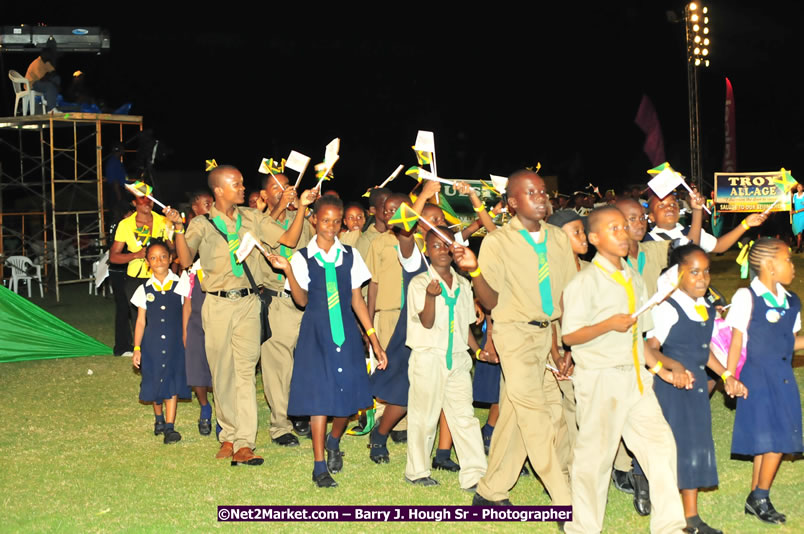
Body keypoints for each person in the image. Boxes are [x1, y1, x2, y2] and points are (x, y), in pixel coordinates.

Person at [171, 165, 316, 466]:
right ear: (218, 190)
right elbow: (185, 260)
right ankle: (228, 434)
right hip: (218, 304)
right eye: (235, 184)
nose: (241, 187)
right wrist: (177, 229)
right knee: (222, 372)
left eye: (240, 182)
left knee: (246, 372)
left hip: (249, 303)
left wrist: (301, 207)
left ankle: (244, 442)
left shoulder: (252, 218)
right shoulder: (202, 224)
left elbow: (288, 240)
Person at [561, 206, 690, 534]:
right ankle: (583, 527)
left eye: (625, 227)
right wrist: (607, 325)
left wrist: (659, 369)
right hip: (601, 379)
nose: (623, 233)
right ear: (594, 238)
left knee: (661, 446)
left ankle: (670, 526)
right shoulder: (584, 282)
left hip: (636, 379)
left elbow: (642, 339)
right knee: (596, 459)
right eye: (613, 228)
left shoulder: (633, 277)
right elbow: (570, 335)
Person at [452, 169, 575, 507]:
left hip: (550, 336)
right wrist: (475, 271)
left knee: (521, 413)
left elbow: (567, 295)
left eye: (543, 192)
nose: (541, 198)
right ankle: (565, 502)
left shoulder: (559, 238)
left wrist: (565, 345)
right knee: (536, 417)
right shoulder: (498, 241)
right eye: (531, 192)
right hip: (515, 336)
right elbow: (490, 302)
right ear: (512, 202)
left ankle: (490, 490)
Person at [264, 196, 388, 488]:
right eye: (325, 220)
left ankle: (334, 442)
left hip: (345, 332)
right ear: (314, 220)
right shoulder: (301, 258)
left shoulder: (350, 255)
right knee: (319, 400)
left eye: (336, 220)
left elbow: (357, 300)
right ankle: (319, 465)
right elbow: (301, 300)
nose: (330, 226)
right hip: (316, 335)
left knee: (348, 401)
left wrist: (374, 339)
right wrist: (289, 272)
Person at [647, 244, 748, 534]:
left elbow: (704, 353)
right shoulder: (667, 308)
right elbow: (650, 348)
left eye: (706, 271)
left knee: (694, 448)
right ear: (677, 275)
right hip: (671, 391)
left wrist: (727, 375)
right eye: (693, 272)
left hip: (696, 391)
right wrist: (670, 370)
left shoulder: (703, 306)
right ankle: (658, 503)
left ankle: (691, 518)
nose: (702, 278)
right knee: (670, 450)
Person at [725, 238, 804, 525]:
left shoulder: (792, 301)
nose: (792, 266)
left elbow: (790, 341)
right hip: (756, 376)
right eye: (788, 260)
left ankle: (755, 496)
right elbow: (736, 341)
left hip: (782, 377)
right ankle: (760, 496)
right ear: (770, 266)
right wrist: (730, 375)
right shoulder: (747, 297)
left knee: (769, 438)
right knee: (776, 439)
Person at [403, 227, 488, 489]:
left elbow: (464, 327)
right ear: (427, 251)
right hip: (429, 356)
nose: (442, 250)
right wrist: (430, 296)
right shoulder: (419, 283)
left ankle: (475, 473)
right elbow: (426, 323)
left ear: (453, 250)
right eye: (435, 246)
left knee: (465, 415)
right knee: (424, 416)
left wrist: (476, 351)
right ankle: (417, 471)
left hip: (458, 358)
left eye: (446, 245)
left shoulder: (463, 284)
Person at [257, 172, 315, 446]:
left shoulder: (299, 217)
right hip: (278, 300)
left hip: (304, 299)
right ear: (264, 196)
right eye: (276, 187)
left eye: (287, 184)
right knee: (278, 366)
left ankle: (300, 414)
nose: (284, 190)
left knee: (303, 363)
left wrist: (305, 211)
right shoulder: (260, 221)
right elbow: (287, 240)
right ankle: (280, 426)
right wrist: (297, 207)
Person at [131, 240, 192, 444]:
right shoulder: (143, 289)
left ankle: (170, 426)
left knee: (172, 381)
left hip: (175, 342)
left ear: (171, 259)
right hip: (152, 344)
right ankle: (158, 418)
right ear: (148, 262)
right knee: (155, 380)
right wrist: (137, 348)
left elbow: (187, 311)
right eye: (154, 258)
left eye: (163, 256)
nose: (159, 261)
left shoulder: (180, 283)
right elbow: (140, 322)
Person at [109, 193, 171, 355]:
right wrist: (136, 255)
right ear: (134, 202)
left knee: (162, 314)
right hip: (136, 278)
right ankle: (144, 353)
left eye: (150, 198)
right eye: (142, 198)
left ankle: (163, 351)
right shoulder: (126, 225)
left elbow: (174, 249)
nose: (147, 202)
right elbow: (113, 256)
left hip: (161, 276)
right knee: (139, 318)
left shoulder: (163, 221)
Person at [181, 191, 214, 436]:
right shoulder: (192, 268)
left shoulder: (223, 258)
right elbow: (187, 303)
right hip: (196, 324)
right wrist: (185, 331)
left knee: (222, 371)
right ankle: (205, 407)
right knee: (197, 370)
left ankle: (225, 413)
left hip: (220, 320)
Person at [644, 191, 766, 253]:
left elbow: (719, 245)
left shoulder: (690, 230)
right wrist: (697, 211)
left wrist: (745, 224)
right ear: (651, 217)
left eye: (672, 204)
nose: (669, 207)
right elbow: (690, 248)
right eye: (661, 206)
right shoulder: (647, 241)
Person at [25, 43, 60, 112]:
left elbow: (54, 73)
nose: (50, 55)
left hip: (41, 83)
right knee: (50, 85)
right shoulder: (37, 63)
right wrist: (49, 77)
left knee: (57, 78)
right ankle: (51, 109)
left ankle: (49, 100)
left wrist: (49, 76)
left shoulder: (46, 63)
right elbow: (42, 79)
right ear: (44, 54)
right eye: (49, 54)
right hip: (32, 84)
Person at [792, 184, 804, 252]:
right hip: (795, 216)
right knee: (796, 232)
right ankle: (801, 246)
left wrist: (796, 211)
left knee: (799, 232)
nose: (798, 188)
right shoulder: (795, 195)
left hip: (802, 215)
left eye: (800, 187)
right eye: (797, 187)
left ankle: (798, 248)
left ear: (803, 188)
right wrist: (791, 210)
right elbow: (792, 204)